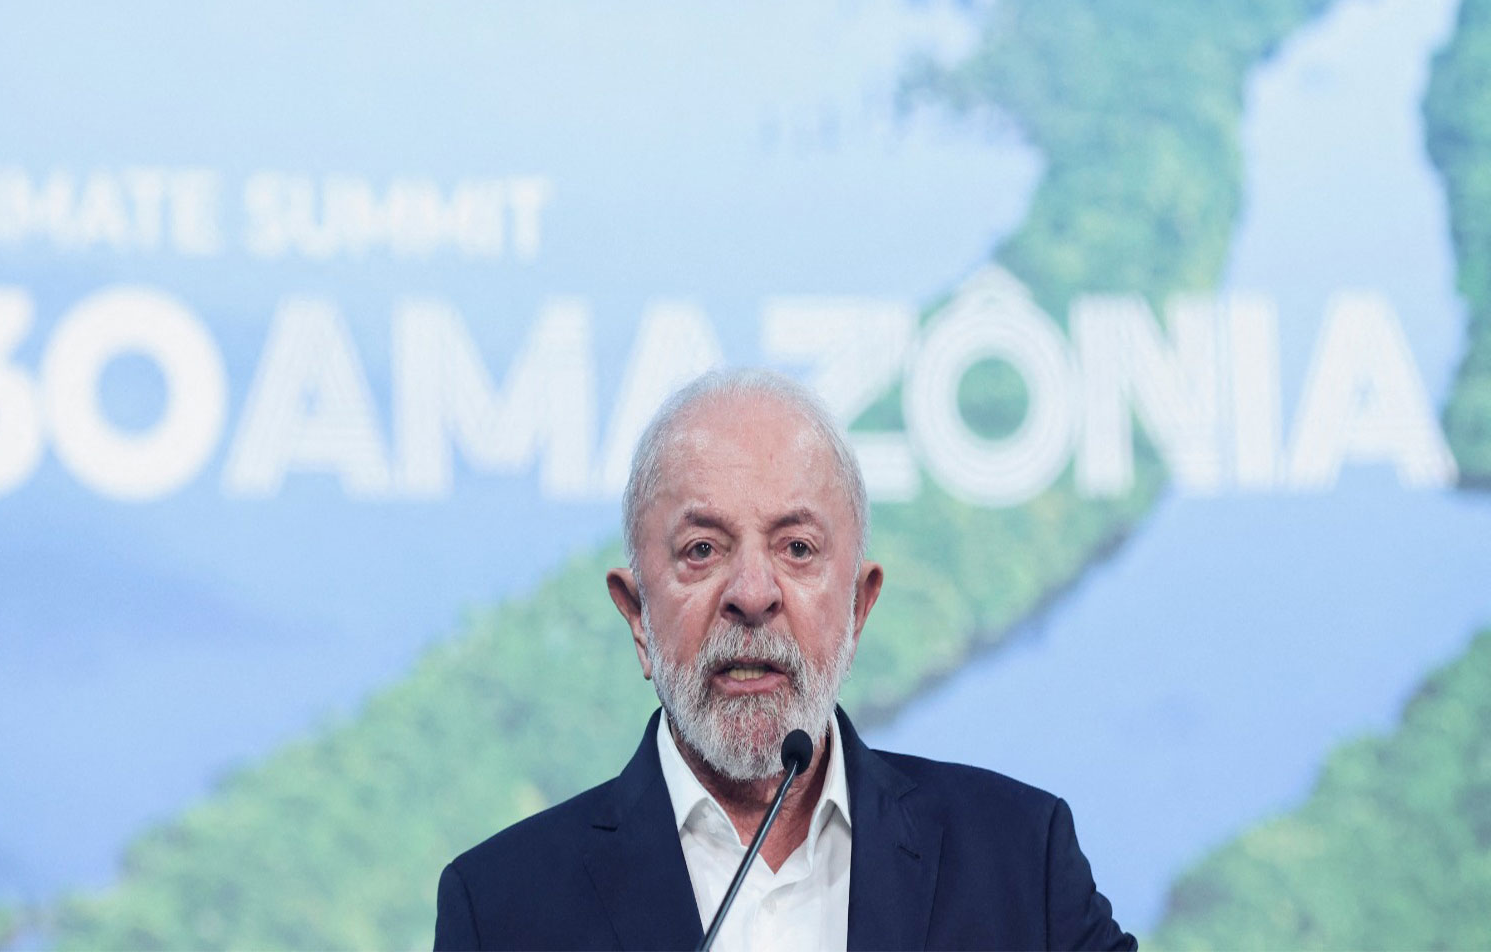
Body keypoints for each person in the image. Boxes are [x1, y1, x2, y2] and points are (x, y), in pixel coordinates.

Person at [436, 368, 1135, 951]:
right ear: (637, 616)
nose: (751, 594)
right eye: (702, 550)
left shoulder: (1019, 861)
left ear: (858, 609)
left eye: (797, 548)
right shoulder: (503, 911)